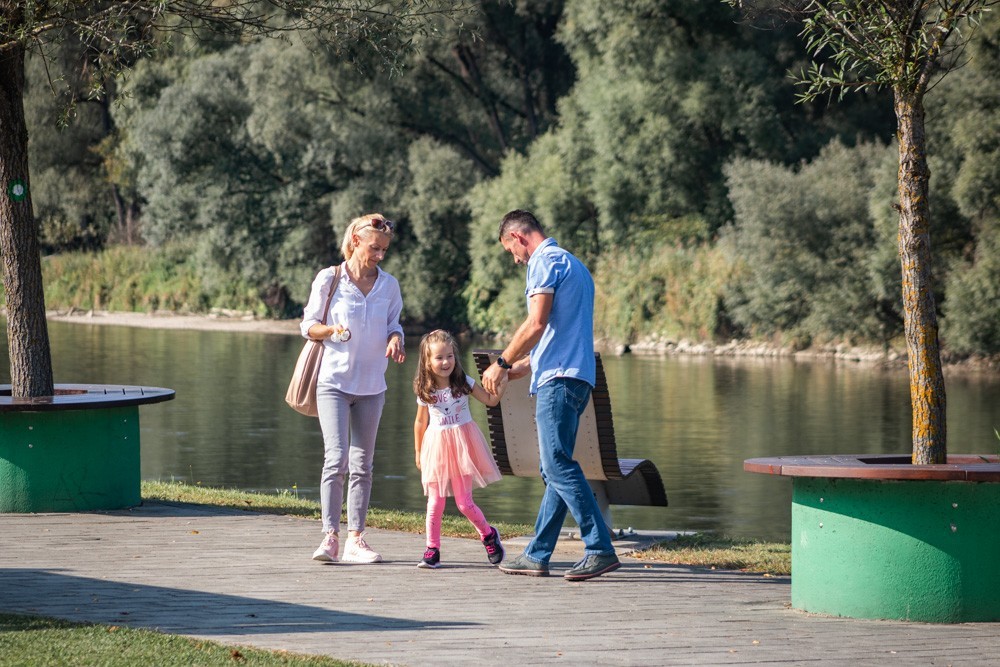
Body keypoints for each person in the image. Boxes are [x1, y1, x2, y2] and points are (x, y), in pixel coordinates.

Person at [481, 209, 620, 581]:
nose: (514, 258)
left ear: (519, 237)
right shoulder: (574, 265)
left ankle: (600, 549)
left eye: (510, 249)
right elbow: (558, 337)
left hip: (559, 383)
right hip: (575, 378)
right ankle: (537, 554)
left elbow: (536, 323)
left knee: (557, 464)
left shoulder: (544, 262)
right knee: (554, 468)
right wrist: (515, 370)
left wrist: (502, 361)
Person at [301, 213, 406, 564]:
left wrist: (395, 340)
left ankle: (356, 539)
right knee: (337, 459)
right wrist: (331, 331)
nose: (379, 255)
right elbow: (308, 326)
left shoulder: (389, 286)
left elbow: (395, 325)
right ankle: (330, 537)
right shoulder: (330, 278)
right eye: (374, 248)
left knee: (363, 465)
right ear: (355, 241)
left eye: (384, 250)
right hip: (333, 382)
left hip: (373, 385)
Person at [412, 329, 506, 569]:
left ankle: (488, 535)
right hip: (436, 447)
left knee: (464, 503)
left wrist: (502, 381)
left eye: (450, 356)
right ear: (427, 361)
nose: (446, 362)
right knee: (435, 503)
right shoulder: (426, 388)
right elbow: (421, 422)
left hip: (463, 444)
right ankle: (432, 549)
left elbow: (490, 400)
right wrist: (418, 451)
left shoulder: (463, 382)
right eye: (439, 357)